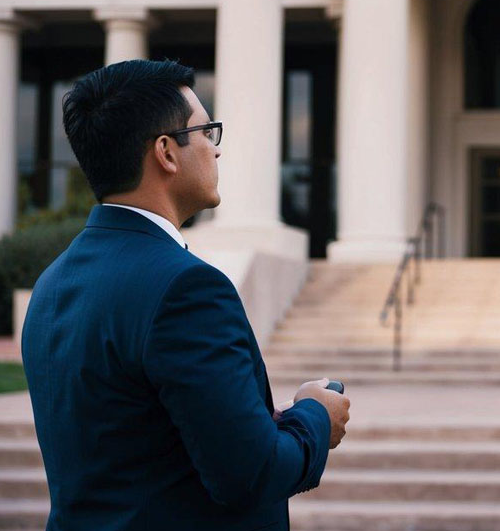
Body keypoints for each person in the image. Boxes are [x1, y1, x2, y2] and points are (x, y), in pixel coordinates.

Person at [20, 59, 350, 531]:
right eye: (206, 131)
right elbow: (251, 474)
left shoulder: (53, 283)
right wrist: (315, 416)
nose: (216, 151)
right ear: (166, 153)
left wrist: (251, 419)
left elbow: (135, 434)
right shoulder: (187, 288)